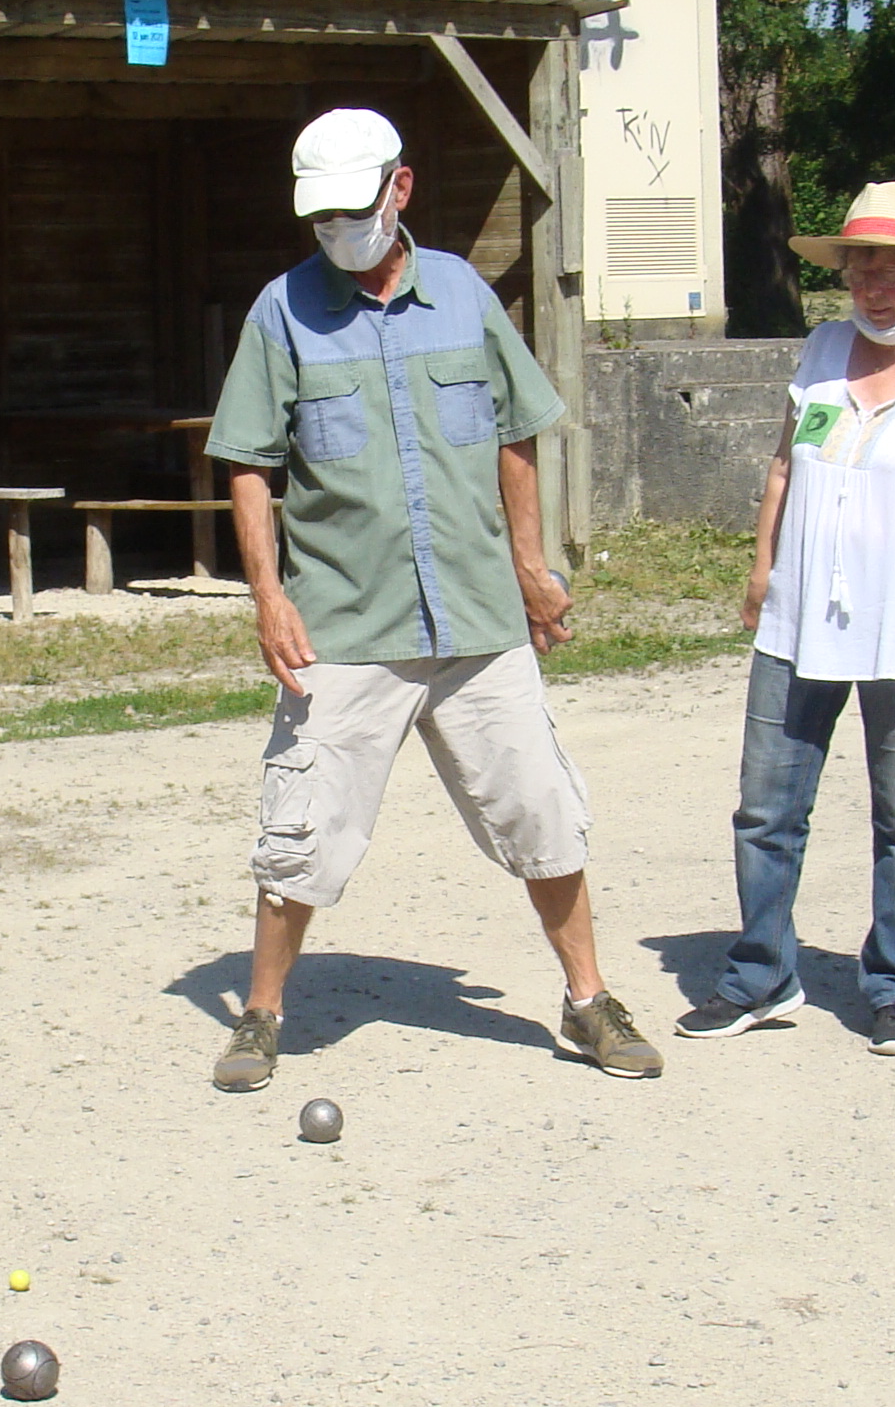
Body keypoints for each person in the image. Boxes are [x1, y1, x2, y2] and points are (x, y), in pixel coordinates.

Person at [201, 107, 662, 1091]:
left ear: (399, 189)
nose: (337, 232)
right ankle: (260, 1013)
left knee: (544, 811)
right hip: (346, 626)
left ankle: (589, 1001)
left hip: (477, 619)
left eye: (353, 211)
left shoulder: (462, 294)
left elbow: (514, 434)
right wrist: (267, 596)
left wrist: (533, 566)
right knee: (302, 831)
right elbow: (246, 461)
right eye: (320, 219)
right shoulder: (280, 311)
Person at [675, 183, 895, 1056]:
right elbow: (785, 470)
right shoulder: (822, 351)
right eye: (863, 266)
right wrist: (762, 569)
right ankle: (760, 975)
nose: (877, 283)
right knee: (765, 808)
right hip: (799, 623)